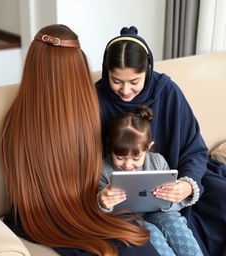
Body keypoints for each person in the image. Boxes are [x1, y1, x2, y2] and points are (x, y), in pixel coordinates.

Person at [0, 24, 161, 256]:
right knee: (134, 239)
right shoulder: (87, 112)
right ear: (78, 67)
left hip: (41, 215)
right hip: (69, 210)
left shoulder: (12, 118)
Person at [96, 26, 226, 256]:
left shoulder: (167, 91)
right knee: (147, 238)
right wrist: (103, 198)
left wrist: (186, 186)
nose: (126, 90)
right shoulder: (95, 98)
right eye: (116, 81)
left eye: (135, 81)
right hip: (122, 208)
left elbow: (195, 150)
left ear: (147, 71)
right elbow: (88, 166)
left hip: (176, 184)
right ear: (107, 73)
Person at [98, 105, 203, 256]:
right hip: (127, 219)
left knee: (175, 223)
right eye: (120, 158)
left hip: (160, 212)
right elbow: (98, 208)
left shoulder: (158, 162)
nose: (128, 165)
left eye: (136, 158)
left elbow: (174, 204)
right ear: (110, 148)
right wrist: (103, 202)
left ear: (148, 147)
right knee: (151, 234)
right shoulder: (104, 169)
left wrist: (171, 200)